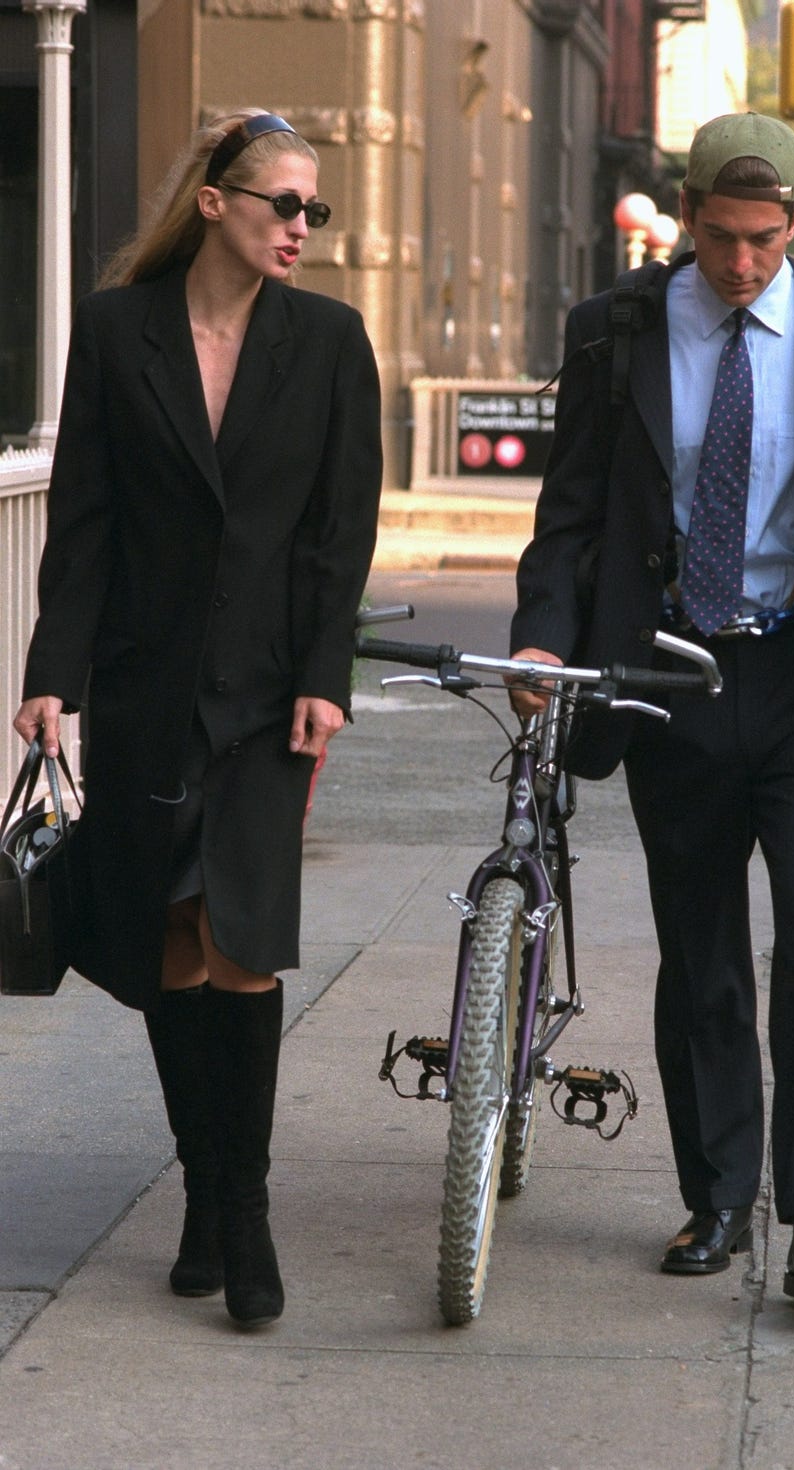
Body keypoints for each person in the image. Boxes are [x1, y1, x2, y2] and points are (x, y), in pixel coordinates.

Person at [510, 113, 794, 1310]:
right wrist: (541, 632)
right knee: (697, 946)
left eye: (760, 241)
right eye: (716, 239)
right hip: (669, 673)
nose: (739, 264)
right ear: (686, 215)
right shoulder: (616, 327)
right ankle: (714, 1197)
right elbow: (573, 508)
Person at [13, 110, 383, 1328]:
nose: (301, 228)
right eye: (284, 203)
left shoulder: (329, 341)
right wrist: (49, 672)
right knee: (170, 944)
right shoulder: (120, 333)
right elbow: (87, 517)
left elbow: (339, 533)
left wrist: (325, 673)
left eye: (314, 210)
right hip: (144, 686)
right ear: (216, 202)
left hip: (270, 698)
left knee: (242, 943)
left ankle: (249, 1206)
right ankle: (202, 1189)